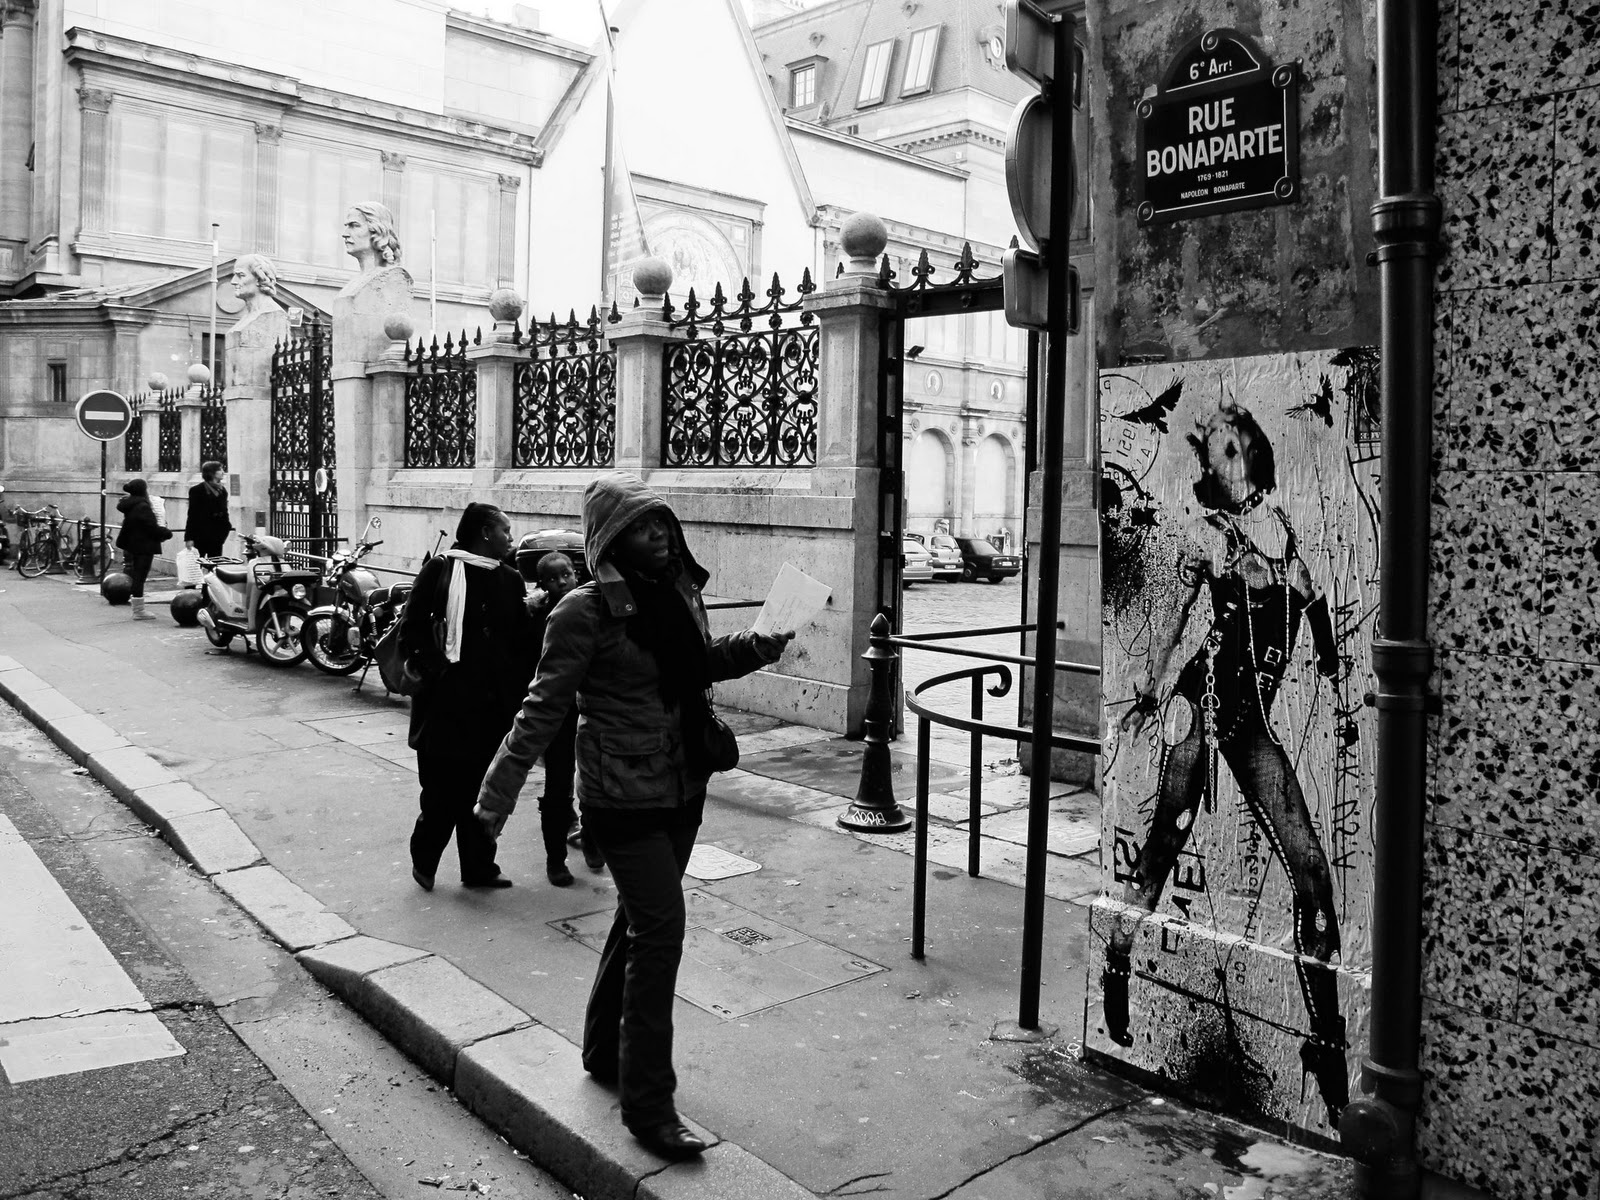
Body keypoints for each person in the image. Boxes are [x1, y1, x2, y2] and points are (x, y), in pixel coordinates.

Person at [473, 472, 794, 1161]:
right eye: (644, 528)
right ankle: (649, 1107)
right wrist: (496, 798)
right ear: (612, 541)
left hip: (682, 785)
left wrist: (756, 647)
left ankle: (601, 1050)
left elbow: (696, 666)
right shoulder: (581, 612)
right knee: (661, 930)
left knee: (638, 920)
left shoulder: (676, 593)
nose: (660, 537)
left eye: (664, 525)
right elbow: (541, 710)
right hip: (620, 796)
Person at [1108, 401, 1348, 1123]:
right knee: (1164, 842)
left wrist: (1336, 672)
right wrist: (1148, 690)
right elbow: (1179, 619)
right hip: (1200, 706)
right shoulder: (1212, 537)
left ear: (1252, 451)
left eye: (1230, 444)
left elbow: (1319, 619)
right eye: (1212, 449)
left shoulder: (1288, 536)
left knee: (1311, 868)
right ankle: (1117, 956)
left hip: (1251, 728)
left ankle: (1326, 1038)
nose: (1222, 457)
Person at [399, 502, 535, 891]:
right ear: (485, 533)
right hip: (445, 706)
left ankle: (479, 868)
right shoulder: (441, 569)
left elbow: (520, 642)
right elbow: (412, 630)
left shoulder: (510, 579)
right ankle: (425, 860)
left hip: (492, 708)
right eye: (505, 530)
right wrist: (438, 672)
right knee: (440, 793)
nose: (510, 537)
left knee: (483, 792)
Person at [526, 551, 604, 888]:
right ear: (541, 584)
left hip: (590, 709)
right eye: (553, 578)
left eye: (566, 574)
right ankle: (555, 859)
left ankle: (592, 840)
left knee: (594, 782)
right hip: (557, 711)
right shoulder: (537, 617)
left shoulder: (590, 607)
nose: (561, 582)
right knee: (558, 787)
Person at [115, 479, 169, 621]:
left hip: (132, 544)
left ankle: (137, 608)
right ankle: (138, 610)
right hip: (144, 545)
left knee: (136, 574)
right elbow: (151, 527)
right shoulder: (142, 506)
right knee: (140, 576)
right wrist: (166, 533)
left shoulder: (130, 504)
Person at [183, 461, 232, 560]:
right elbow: (192, 515)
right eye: (220, 469)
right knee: (197, 564)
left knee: (215, 564)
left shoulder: (222, 491)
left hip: (217, 537)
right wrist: (189, 538)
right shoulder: (197, 491)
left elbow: (224, 512)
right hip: (200, 536)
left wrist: (226, 528)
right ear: (212, 473)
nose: (223, 472)